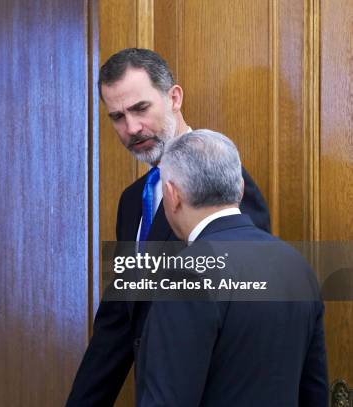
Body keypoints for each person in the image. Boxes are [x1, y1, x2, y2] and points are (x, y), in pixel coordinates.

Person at [66, 48, 270, 405]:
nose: (131, 128)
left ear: (174, 97)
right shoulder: (132, 202)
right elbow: (118, 322)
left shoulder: (227, 185)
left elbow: (246, 318)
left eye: (140, 109)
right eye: (117, 116)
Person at [135, 129, 327, 406]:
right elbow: (314, 394)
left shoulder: (186, 274)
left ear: (172, 195)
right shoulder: (298, 266)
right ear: (239, 188)